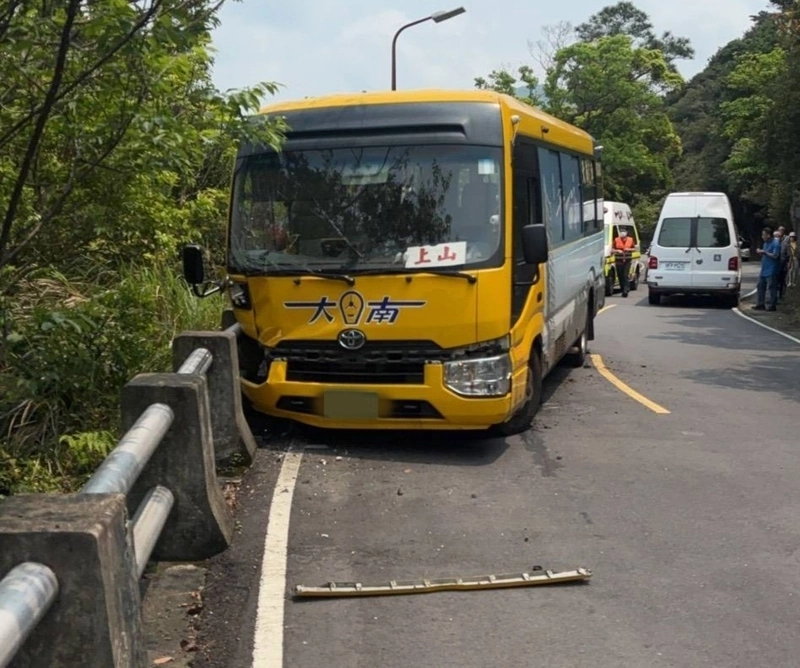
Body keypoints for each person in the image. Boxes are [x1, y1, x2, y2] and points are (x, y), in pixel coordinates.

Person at [755, 227, 782, 311]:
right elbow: (766, 254)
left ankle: (772, 305)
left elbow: (775, 255)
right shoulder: (765, 243)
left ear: (769, 235)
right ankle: (760, 304)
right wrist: (761, 252)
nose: (762, 236)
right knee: (760, 286)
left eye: (764, 235)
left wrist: (765, 252)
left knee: (772, 287)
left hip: (772, 269)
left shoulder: (776, 243)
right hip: (764, 268)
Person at [613, 227, 636, 298]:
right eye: (621, 232)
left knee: (625, 275)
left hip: (627, 260)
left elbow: (634, 248)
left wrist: (629, 249)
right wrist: (617, 251)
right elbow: (612, 249)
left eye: (624, 232)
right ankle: (623, 289)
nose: (622, 233)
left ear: (626, 233)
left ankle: (625, 290)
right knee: (620, 275)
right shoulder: (616, 240)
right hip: (618, 260)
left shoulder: (630, 240)